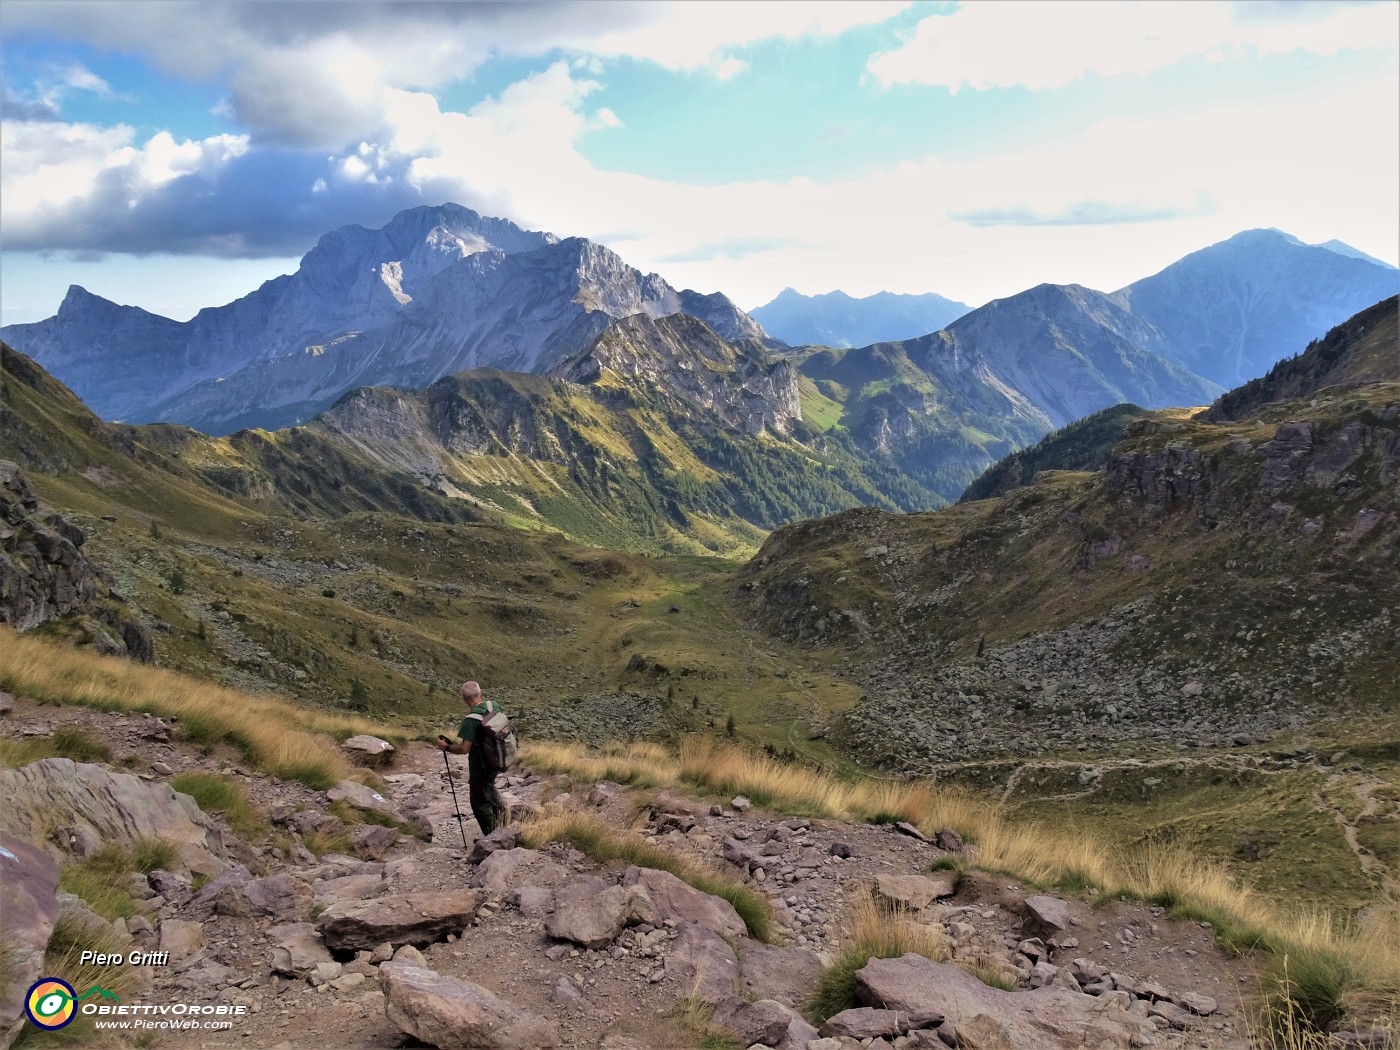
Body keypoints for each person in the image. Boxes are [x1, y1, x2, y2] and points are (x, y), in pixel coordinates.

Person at [436, 681, 506, 836]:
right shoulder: (494, 706)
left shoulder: (470, 720)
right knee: (489, 789)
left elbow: (464, 749)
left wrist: (446, 747)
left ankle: (494, 839)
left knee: (480, 804)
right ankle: (506, 828)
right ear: (481, 694)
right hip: (498, 758)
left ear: (463, 698)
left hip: (480, 765)